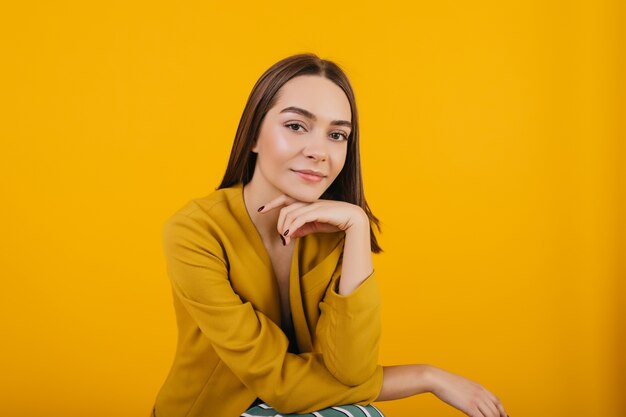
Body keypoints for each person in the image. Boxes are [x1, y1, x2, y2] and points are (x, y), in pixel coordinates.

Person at [151, 53, 508, 417]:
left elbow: (352, 370)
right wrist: (426, 376)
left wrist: (357, 227)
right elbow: (280, 383)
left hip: (308, 405)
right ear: (254, 134)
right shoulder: (194, 231)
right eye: (296, 126)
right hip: (215, 411)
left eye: (337, 135)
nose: (319, 152)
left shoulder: (334, 230)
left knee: (359, 414)